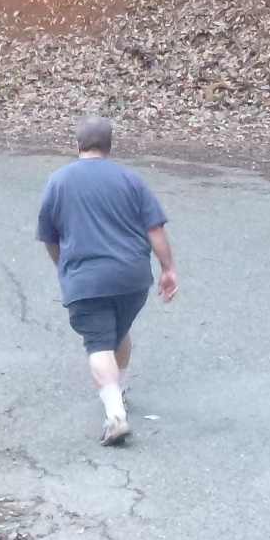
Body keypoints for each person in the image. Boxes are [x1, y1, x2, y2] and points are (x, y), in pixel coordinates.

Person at [36, 116, 178, 445]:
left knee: (99, 343)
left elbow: (49, 236)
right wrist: (168, 268)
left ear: (77, 145)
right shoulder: (130, 179)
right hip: (132, 278)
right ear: (110, 146)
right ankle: (119, 388)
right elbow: (155, 228)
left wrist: (63, 268)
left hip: (86, 279)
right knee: (118, 332)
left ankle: (115, 415)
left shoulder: (59, 181)